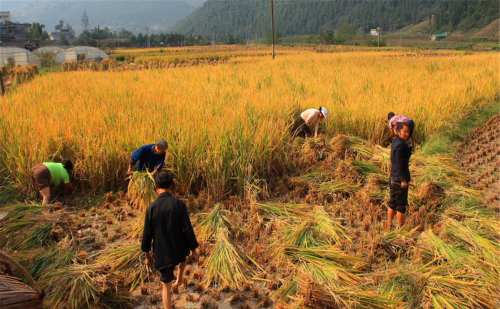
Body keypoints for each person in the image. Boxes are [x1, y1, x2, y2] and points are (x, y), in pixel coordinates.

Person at [141, 171, 200, 309]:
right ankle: (179, 278)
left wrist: (147, 254)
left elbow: (147, 234)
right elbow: (188, 229)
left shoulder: (152, 208)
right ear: (171, 186)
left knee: (166, 287)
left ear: (155, 187)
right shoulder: (179, 204)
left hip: (163, 252)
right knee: (183, 258)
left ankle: (176, 282)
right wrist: (194, 250)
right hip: (179, 247)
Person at [388, 122, 412, 228]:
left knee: (392, 202)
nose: (407, 134)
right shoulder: (401, 145)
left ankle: (389, 223)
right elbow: (400, 164)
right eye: (405, 131)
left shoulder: (396, 141)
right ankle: (401, 228)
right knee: (401, 206)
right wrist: (403, 180)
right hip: (399, 179)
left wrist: (409, 145)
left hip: (393, 177)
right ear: (399, 131)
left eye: (408, 131)